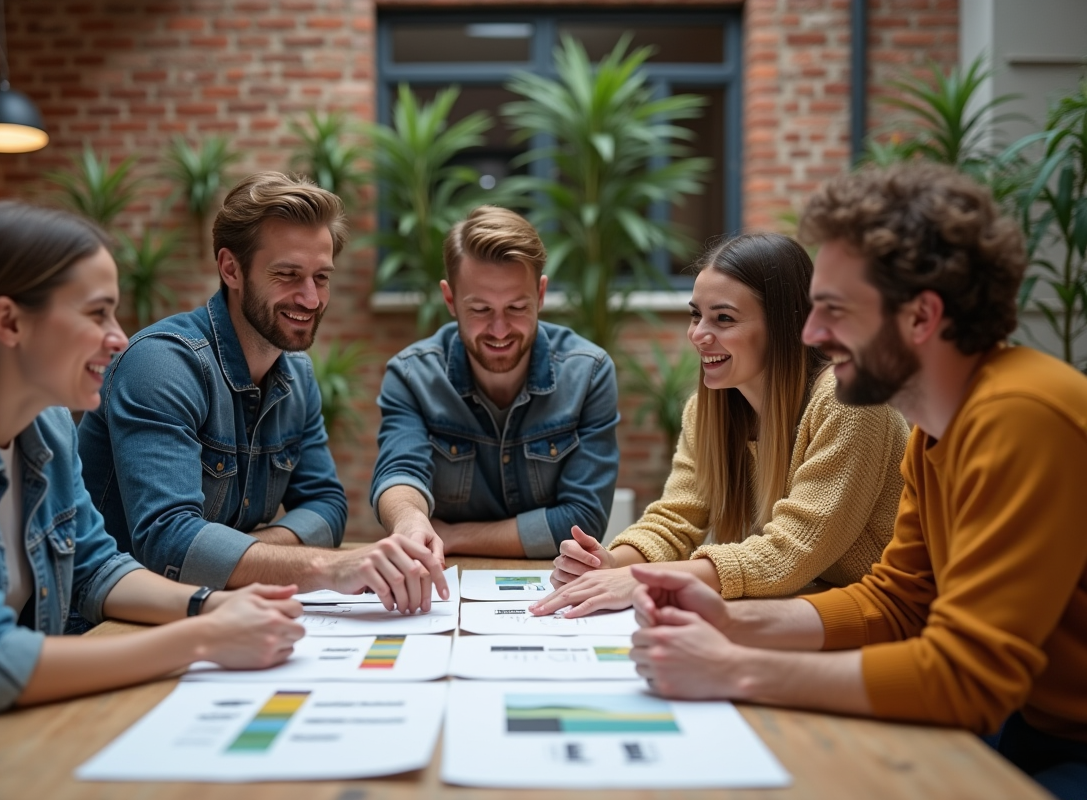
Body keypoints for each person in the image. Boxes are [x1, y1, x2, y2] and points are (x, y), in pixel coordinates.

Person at [628, 164, 1087, 800]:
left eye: (835, 311)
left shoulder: (1021, 415)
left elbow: (968, 679)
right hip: (1032, 725)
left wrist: (738, 669)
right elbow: (895, 604)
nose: (811, 334)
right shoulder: (935, 431)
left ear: (922, 317)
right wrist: (732, 623)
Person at [0, 202, 306, 772]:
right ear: (9, 322)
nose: (119, 338)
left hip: (15, 736)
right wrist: (203, 640)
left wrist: (212, 606)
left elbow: (96, 567)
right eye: (97, 313)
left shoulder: (50, 420)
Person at [78, 172, 447, 612]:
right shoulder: (161, 365)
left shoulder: (297, 375)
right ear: (231, 269)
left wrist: (243, 553)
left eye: (321, 277)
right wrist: (324, 567)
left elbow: (327, 506)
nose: (310, 299)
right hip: (114, 624)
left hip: (220, 613)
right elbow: (168, 541)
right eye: (288, 275)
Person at [532, 232, 909, 617]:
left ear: (784, 325)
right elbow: (676, 519)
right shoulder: (709, 408)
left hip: (891, 621)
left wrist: (645, 578)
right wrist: (612, 563)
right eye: (697, 314)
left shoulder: (851, 400)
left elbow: (792, 551)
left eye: (723, 318)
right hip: (813, 610)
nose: (698, 335)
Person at [371, 205, 620, 559]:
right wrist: (410, 520)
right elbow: (400, 471)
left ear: (541, 294)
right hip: (443, 579)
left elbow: (583, 520)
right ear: (450, 300)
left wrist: (452, 536)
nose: (500, 330)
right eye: (481, 310)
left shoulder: (588, 374)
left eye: (517, 308)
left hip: (550, 586)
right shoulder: (412, 376)